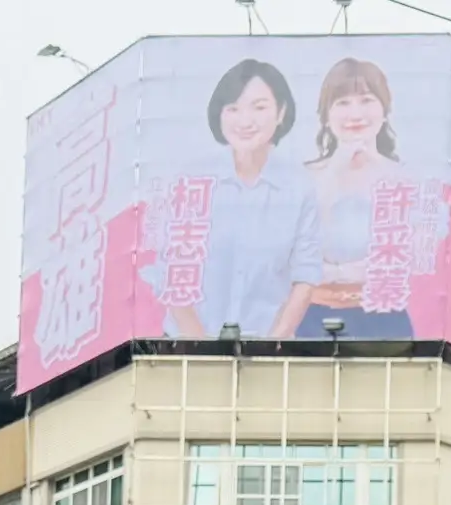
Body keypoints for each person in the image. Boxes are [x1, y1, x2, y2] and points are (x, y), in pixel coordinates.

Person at [164, 60, 320, 342]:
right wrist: (202, 349)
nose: (245, 121)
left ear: (281, 112)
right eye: (233, 109)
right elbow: (175, 274)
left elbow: (305, 278)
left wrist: (274, 342)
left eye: (259, 107)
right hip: (186, 353)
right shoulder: (194, 181)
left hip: (269, 354)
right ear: (219, 115)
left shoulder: (299, 188)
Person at [295, 58, 415, 341]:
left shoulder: (403, 178)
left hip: (385, 315)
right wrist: (336, 168)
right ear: (326, 115)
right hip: (314, 314)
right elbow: (300, 252)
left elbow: (410, 254)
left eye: (366, 100)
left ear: (384, 110)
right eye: (342, 103)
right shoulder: (306, 177)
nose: (355, 113)